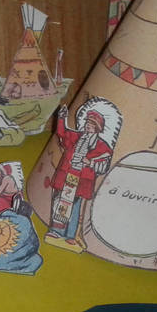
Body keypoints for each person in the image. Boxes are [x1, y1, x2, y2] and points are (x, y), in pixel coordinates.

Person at [46, 105, 113, 251]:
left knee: (75, 207)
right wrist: (62, 118)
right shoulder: (76, 137)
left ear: (97, 128)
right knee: (60, 202)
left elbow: (104, 166)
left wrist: (90, 162)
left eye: (92, 125)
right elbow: (62, 133)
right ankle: (56, 231)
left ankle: (70, 235)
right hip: (66, 174)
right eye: (87, 123)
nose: (88, 126)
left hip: (82, 179)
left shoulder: (102, 146)